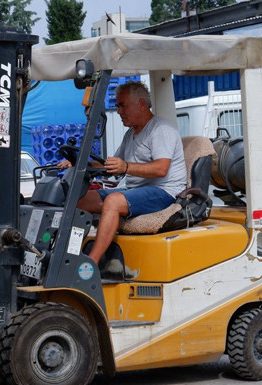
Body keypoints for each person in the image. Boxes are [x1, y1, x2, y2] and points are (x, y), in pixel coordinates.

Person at [63, 81, 187, 267]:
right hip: (135, 190)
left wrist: (126, 167)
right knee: (81, 199)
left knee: (113, 202)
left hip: (164, 191)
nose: (119, 111)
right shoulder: (131, 134)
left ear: (142, 104)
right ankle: (70, 253)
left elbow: (161, 169)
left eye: (123, 106)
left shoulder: (161, 129)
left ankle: (90, 264)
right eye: (118, 106)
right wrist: (79, 164)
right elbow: (111, 166)